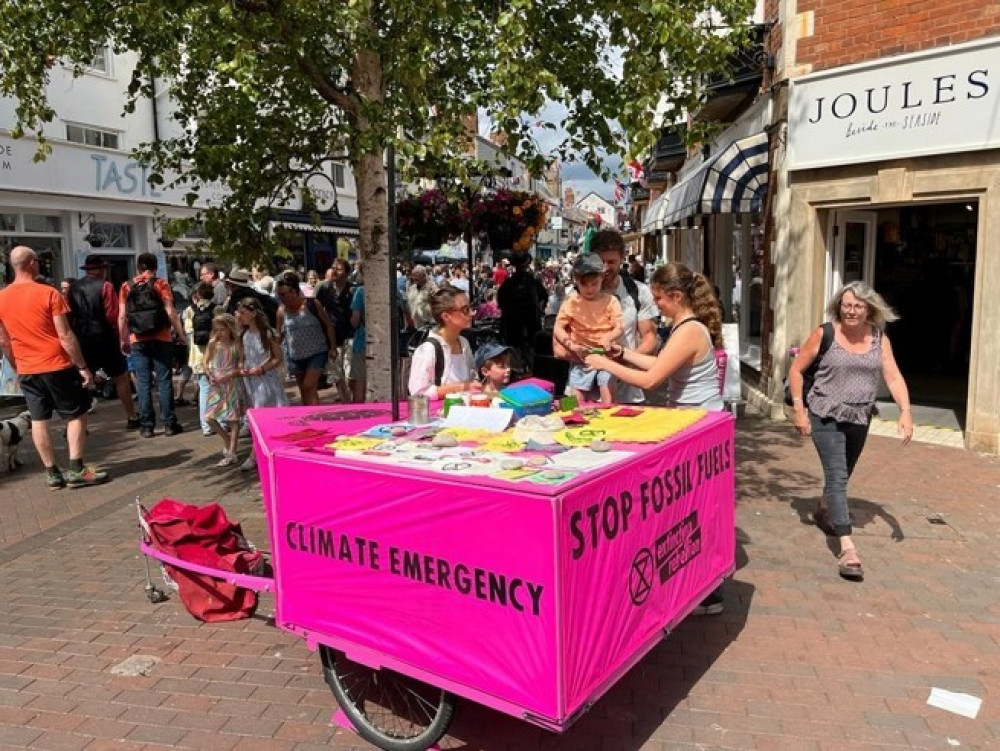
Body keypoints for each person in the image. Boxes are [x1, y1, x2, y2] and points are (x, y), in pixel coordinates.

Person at [585, 261, 726, 614]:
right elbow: (659, 364)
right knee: (689, 509)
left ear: (676, 297)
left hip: (699, 423)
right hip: (693, 421)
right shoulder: (684, 327)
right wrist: (623, 354)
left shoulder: (690, 330)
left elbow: (652, 381)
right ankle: (701, 586)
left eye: (660, 298)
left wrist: (606, 365)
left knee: (693, 510)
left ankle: (705, 589)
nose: (657, 305)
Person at [788, 281, 913, 582]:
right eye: (846, 305)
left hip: (859, 416)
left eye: (858, 306)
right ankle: (847, 548)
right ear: (838, 306)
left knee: (842, 474)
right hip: (824, 414)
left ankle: (823, 507)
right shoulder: (825, 333)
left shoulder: (879, 339)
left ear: (869, 309)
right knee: (838, 475)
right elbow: (796, 370)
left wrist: (905, 412)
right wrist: (799, 410)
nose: (851, 310)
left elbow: (893, 376)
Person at [0, 246, 108, 489]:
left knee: (39, 419)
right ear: (31, 263)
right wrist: (82, 366)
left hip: (28, 368)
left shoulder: (2, 298)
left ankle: (52, 473)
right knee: (77, 414)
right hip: (56, 364)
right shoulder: (48, 293)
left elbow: (4, 341)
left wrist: (17, 366)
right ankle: (76, 468)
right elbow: (66, 335)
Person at [557, 229, 659, 405]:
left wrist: (622, 362)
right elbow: (557, 349)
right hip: (579, 390)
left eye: (611, 262)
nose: (605, 268)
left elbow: (650, 338)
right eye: (600, 261)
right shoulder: (574, 296)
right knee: (575, 427)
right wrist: (590, 358)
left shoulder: (638, 291)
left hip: (628, 393)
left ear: (622, 259)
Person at [118, 252, 186, 438]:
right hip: (161, 337)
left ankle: (147, 426)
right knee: (164, 381)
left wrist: (123, 338)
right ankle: (170, 424)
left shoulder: (126, 286)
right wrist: (180, 334)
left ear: (138, 267)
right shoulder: (161, 283)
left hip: (138, 339)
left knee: (143, 383)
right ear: (155, 267)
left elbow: (122, 316)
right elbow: (170, 311)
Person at [68, 255, 139, 429]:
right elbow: (112, 315)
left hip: (82, 338)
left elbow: (69, 315)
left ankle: (75, 425)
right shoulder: (105, 286)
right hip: (105, 336)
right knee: (120, 377)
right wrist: (120, 337)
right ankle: (131, 416)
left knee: (82, 379)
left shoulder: (73, 288)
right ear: (102, 269)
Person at [553, 253, 624, 405]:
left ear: (602, 278)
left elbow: (619, 327)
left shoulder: (611, 301)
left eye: (594, 284)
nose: (589, 289)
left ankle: (609, 420)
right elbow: (558, 328)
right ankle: (569, 414)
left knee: (608, 397)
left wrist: (608, 338)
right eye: (584, 284)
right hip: (581, 358)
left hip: (605, 357)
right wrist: (571, 345)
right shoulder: (571, 302)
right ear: (576, 281)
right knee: (577, 399)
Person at [235, 297, 287, 471]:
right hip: (251, 382)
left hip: (266, 381)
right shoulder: (244, 335)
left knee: (262, 417)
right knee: (260, 417)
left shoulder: (267, 333)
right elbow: (242, 358)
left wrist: (262, 368)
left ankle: (254, 455)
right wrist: (242, 368)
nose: (239, 316)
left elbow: (278, 358)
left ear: (253, 314)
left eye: (243, 313)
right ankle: (264, 452)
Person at [408, 285, 484, 400]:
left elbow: (473, 377)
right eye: (465, 309)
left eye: (471, 307)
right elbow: (419, 393)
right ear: (446, 316)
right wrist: (462, 387)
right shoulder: (428, 350)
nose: (472, 313)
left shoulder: (464, 343)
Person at [275, 272, 335, 406]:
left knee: (309, 385)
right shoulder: (281, 311)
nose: (281, 298)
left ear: (294, 290)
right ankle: (310, 417)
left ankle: (315, 417)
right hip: (295, 356)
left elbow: (328, 326)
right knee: (304, 390)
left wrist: (332, 347)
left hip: (317, 352)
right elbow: (279, 335)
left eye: (284, 294)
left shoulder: (312, 304)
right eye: (279, 295)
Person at [203, 313, 244, 467]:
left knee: (233, 419)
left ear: (230, 329)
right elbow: (206, 362)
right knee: (209, 417)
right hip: (217, 382)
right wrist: (209, 373)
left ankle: (232, 451)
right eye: (217, 330)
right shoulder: (213, 343)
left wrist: (230, 374)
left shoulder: (236, 344)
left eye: (222, 330)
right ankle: (226, 439)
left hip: (232, 382)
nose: (219, 333)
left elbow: (240, 365)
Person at [497, 251, 547, 374]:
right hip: (526, 324)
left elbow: (500, 302)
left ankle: (519, 371)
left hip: (515, 324)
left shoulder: (509, 283)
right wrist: (540, 310)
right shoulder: (532, 281)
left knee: (516, 351)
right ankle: (528, 371)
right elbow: (544, 297)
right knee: (528, 350)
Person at [314, 258, 355, 403]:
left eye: (339, 269)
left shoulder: (353, 289)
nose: (335, 271)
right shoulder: (324, 288)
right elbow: (316, 310)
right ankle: (345, 401)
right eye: (333, 268)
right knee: (336, 374)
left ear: (347, 272)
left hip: (351, 335)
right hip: (332, 337)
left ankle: (351, 400)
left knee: (350, 372)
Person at [183, 281, 216, 437]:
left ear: (196, 294)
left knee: (204, 389)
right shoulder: (217, 309)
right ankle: (221, 422)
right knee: (219, 389)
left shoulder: (189, 311)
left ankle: (206, 426)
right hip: (215, 355)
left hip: (198, 356)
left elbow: (189, 333)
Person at [348, 272, 366, 403]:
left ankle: (360, 414)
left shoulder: (360, 292)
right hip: (387, 344)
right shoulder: (393, 291)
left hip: (362, 341)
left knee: (359, 382)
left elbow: (355, 320)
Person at [405, 265, 437, 330]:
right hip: (413, 325)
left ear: (424, 276)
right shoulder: (412, 288)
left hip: (427, 325)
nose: (414, 278)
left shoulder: (431, 288)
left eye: (417, 275)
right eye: (414, 275)